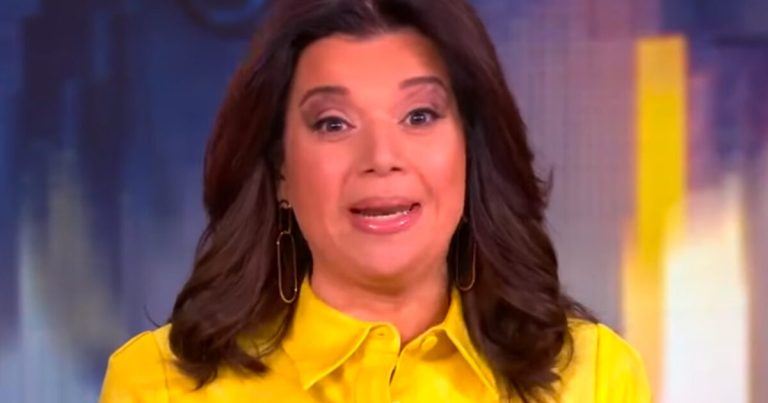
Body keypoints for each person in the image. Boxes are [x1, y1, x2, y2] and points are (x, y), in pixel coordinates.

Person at [99, 0, 651, 401]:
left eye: (419, 115)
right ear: (280, 170)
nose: (382, 157)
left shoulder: (592, 378)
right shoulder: (159, 384)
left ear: (471, 151)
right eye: (333, 123)